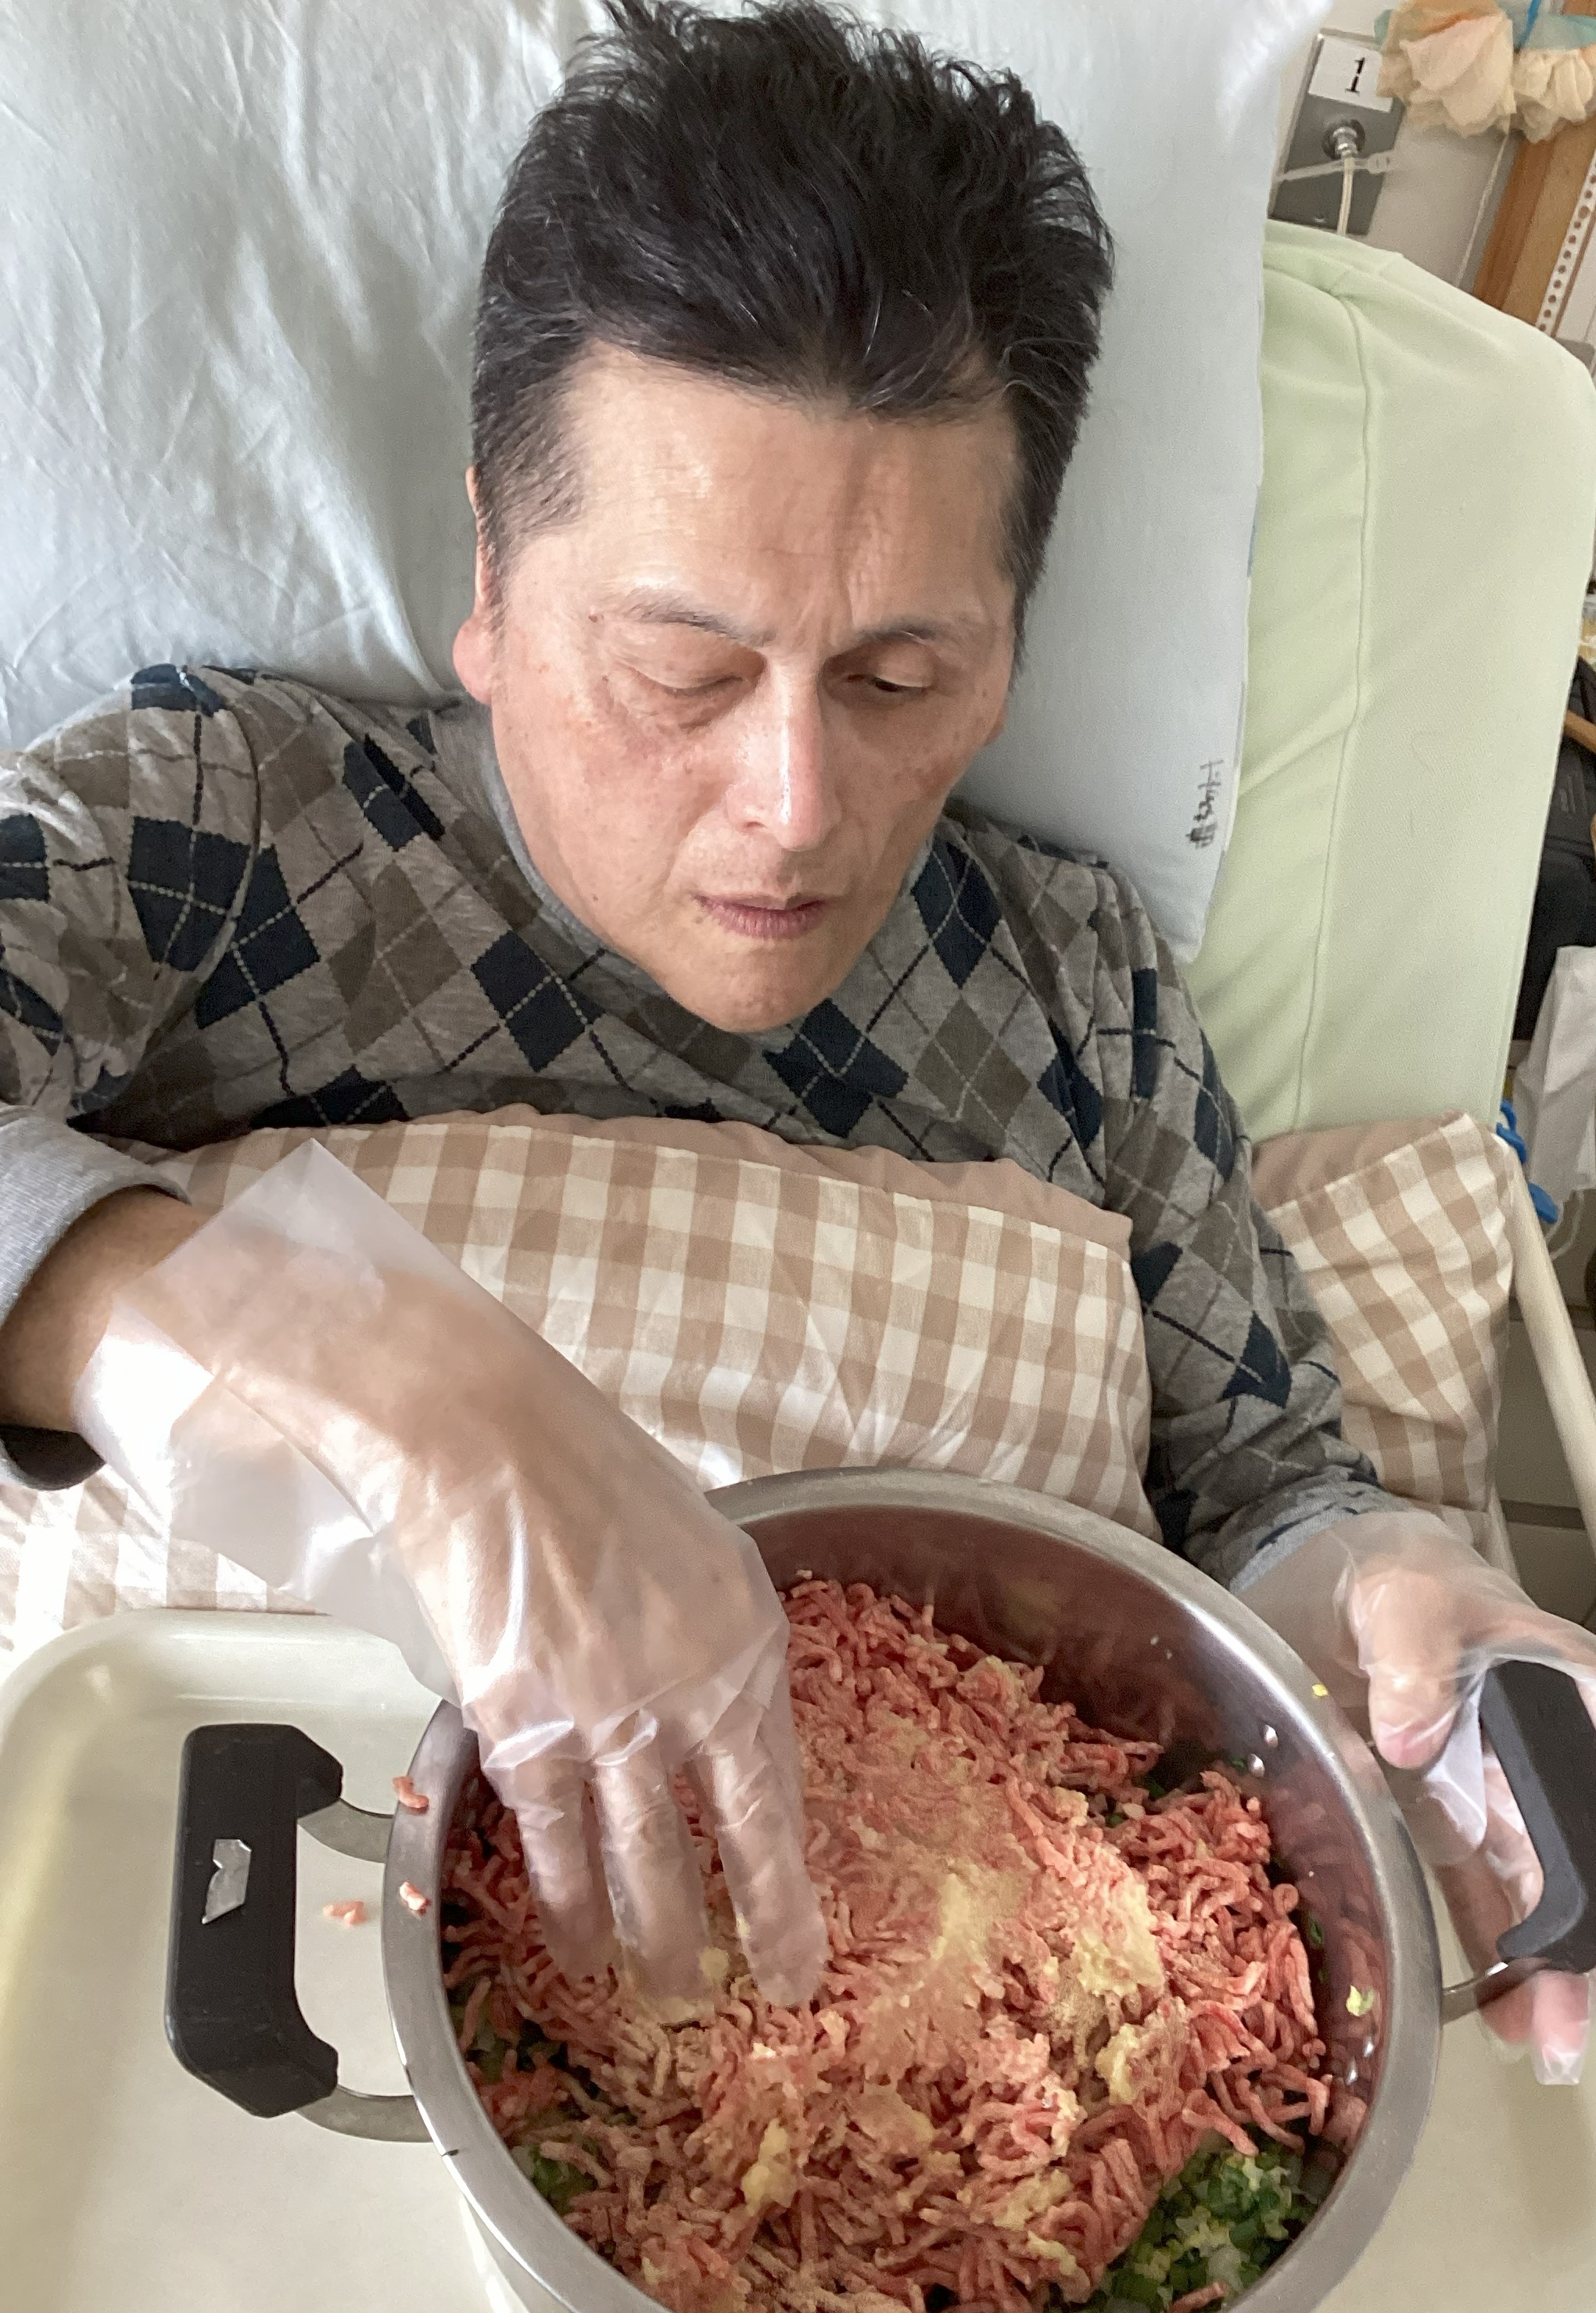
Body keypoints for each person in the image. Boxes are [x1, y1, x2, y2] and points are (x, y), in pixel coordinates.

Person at [2, 0, 1592, 2063]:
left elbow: (1265, 1491)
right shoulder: (214, 827)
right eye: (683, 669)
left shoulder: (1081, 987)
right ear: (491, 574)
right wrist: (375, 1371)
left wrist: (1390, 1602)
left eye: (899, 678)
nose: (795, 808)